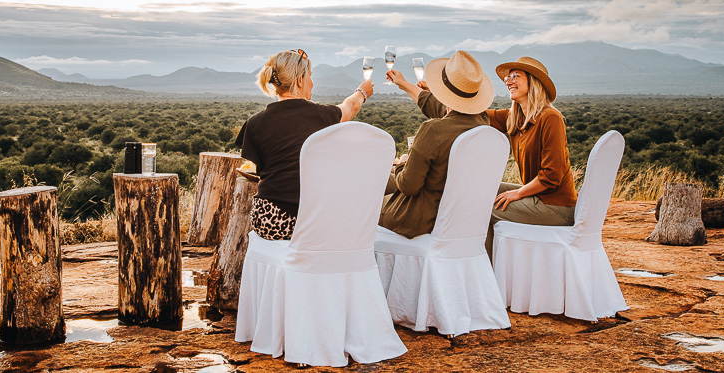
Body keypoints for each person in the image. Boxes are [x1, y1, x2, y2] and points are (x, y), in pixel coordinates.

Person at [235, 49, 374, 241]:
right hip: (310, 220)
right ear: (299, 80)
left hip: (267, 220)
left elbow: (261, 171)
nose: (312, 81)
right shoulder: (321, 115)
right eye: (310, 75)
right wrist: (362, 92)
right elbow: (351, 107)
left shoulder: (254, 122)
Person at [379, 50, 493, 238]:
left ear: (442, 90)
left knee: (371, 201)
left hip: (420, 220)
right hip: (458, 217)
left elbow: (409, 186)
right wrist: (406, 85)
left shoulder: (433, 130)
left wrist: (401, 164)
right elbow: (439, 107)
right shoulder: (482, 124)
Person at [484, 56, 576, 258]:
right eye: (508, 77)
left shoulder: (550, 117)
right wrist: (439, 93)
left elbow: (552, 176)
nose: (508, 81)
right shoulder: (514, 117)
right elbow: (472, 113)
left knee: (484, 209)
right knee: (484, 189)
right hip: (538, 197)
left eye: (515, 76)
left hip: (556, 206)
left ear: (533, 81)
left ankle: (488, 269)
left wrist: (519, 193)